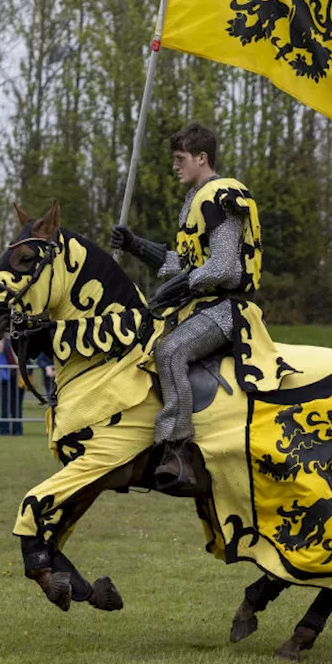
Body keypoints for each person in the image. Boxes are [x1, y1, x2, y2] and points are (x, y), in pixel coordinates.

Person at [110, 121, 272, 492]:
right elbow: (185, 263)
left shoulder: (221, 195)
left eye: (181, 158)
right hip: (198, 305)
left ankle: (179, 450)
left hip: (226, 309)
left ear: (202, 158)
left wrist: (182, 284)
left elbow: (225, 267)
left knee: (170, 352)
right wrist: (136, 245)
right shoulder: (196, 198)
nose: (175, 165)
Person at [0, 335, 24, 436]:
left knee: (17, 406)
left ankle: (17, 430)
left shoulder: (21, 341)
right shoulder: (0, 343)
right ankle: (4, 430)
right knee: (4, 405)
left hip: (18, 377)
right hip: (3, 378)